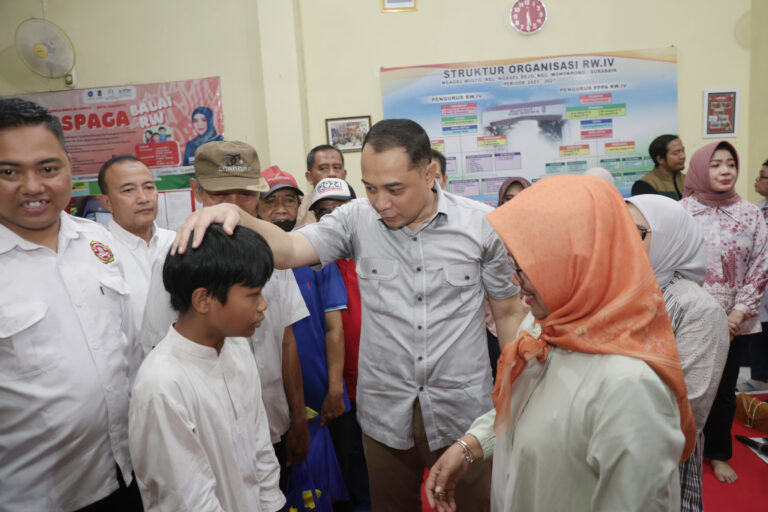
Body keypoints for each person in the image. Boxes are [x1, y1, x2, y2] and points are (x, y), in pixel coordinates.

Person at [172, 118, 527, 511]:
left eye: (395, 189)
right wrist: (237, 216)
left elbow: (509, 311)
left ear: (429, 174)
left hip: (463, 411)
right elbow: (289, 250)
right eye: (371, 188)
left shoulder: (481, 224)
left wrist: (513, 395)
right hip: (385, 417)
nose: (381, 203)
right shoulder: (356, 218)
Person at [425, 174, 696, 512]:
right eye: (513, 262)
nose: (514, 278)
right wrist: (470, 445)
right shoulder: (544, 326)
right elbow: (523, 409)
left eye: (526, 265)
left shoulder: (630, 385)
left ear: (576, 260)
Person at [0, 98, 143, 510]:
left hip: (124, 473)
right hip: (37, 496)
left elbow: (127, 347)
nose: (32, 186)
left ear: (68, 166)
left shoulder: (97, 241)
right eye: (9, 172)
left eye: (48, 168)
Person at [139, 141, 311, 482]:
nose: (234, 208)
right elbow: (159, 346)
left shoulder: (276, 252)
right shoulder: (179, 257)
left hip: (271, 420)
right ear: (197, 190)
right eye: (221, 195)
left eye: (245, 195)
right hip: (208, 435)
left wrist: (298, 417)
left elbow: (287, 338)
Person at [129, 223, 284, 511]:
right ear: (203, 299)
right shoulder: (163, 385)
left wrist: (272, 505)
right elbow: (186, 498)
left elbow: (260, 445)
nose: (263, 305)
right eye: (253, 294)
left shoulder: (236, 347)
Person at [626, 194, 729, 512]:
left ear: (670, 238)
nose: (622, 241)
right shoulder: (619, 294)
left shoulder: (698, 308)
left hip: (658, 456)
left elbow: (688, 406)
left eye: (636, 232)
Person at [257, 166, 352, 509]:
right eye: (272, 201)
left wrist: (334, 388)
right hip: (267, 405)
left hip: (316, 393)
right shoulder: (249, 260)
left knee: (323, 485)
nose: (281, 209)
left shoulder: (314, 257)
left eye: (289, 201)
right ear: (256, 206)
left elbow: (333, 329)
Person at [680, 141, 768, 483]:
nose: (725, 170)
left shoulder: (751, 214)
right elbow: (670, 264)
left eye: (730, 163)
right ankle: (684, 451)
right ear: (702, 168)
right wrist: (703, 313)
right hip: (691, 320)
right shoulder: (682, 212)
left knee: (724, 392)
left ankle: (717, 453)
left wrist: (737, 313)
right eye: (715, 164)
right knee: (687, 388)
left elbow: (761, 267)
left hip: (738, 321)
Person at [309, 177, 371, 508]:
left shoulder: (374, 254)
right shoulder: (314, 262)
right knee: (349, 470)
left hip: (378, 386)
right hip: (339, 390)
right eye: (323, 212)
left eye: (340, 209)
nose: (332, 217)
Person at [99, 155, 175, 333]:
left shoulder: (177, 242)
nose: (143, 198)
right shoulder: (97, 254)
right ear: (107, 202)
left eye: (149, 187)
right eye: (128, 190)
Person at [740, 158, 768, 392]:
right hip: (761, 283)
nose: (757, 180)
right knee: (760, 330)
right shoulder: (758, 208)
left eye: (762, 175)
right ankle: (759, 376)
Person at [296, 144, 347, 227]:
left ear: (344, 175)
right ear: (309, 177)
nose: (332, 174)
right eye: (323, 168)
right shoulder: (298, 209)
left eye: (337, 167)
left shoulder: (356, 207)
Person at [632, 134, 686, 198]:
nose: (683, 156)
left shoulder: (689, 181)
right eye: (676, 153)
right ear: (660, 159)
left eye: (683, 151)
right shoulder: (644, 185)